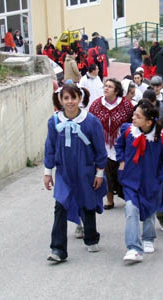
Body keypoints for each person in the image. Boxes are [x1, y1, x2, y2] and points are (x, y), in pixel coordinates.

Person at [44, 84, 108, 262]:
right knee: (60, 206)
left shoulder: (91, 121)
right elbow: (50, 147)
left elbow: (100, 150)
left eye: (73, 98)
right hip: (64, 172)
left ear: (80, 99)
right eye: (66, 98)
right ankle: (58, 250)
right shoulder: (54, 121)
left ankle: (91, 236)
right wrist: (48, 171)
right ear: (60, 100)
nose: (70, 102)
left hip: (85, 171)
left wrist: (99, 173)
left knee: (87, 204)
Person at [115, 100, 163, 263]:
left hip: (151, 182)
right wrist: (121, 161)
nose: (133, 118)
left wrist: (158, 179)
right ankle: (133, 248)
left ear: (149, 122)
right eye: (134, 114)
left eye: (138, 116)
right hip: (130, 180)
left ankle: (148, 237)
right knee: (131, 209)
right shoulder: (128, 130)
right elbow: (119, 146)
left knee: (149, 210)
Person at [89, 78, 134, 209]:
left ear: (117, 90)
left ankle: (128, 197)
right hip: (103, 144)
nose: (106, 88)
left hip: (121, 143)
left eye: (110, 86)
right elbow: (91, 122)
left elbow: (133, 122)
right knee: (106, 171)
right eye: (105, 86)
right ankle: (109, 199)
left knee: (122, 171)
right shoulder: (97, 104)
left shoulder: (126, 105)